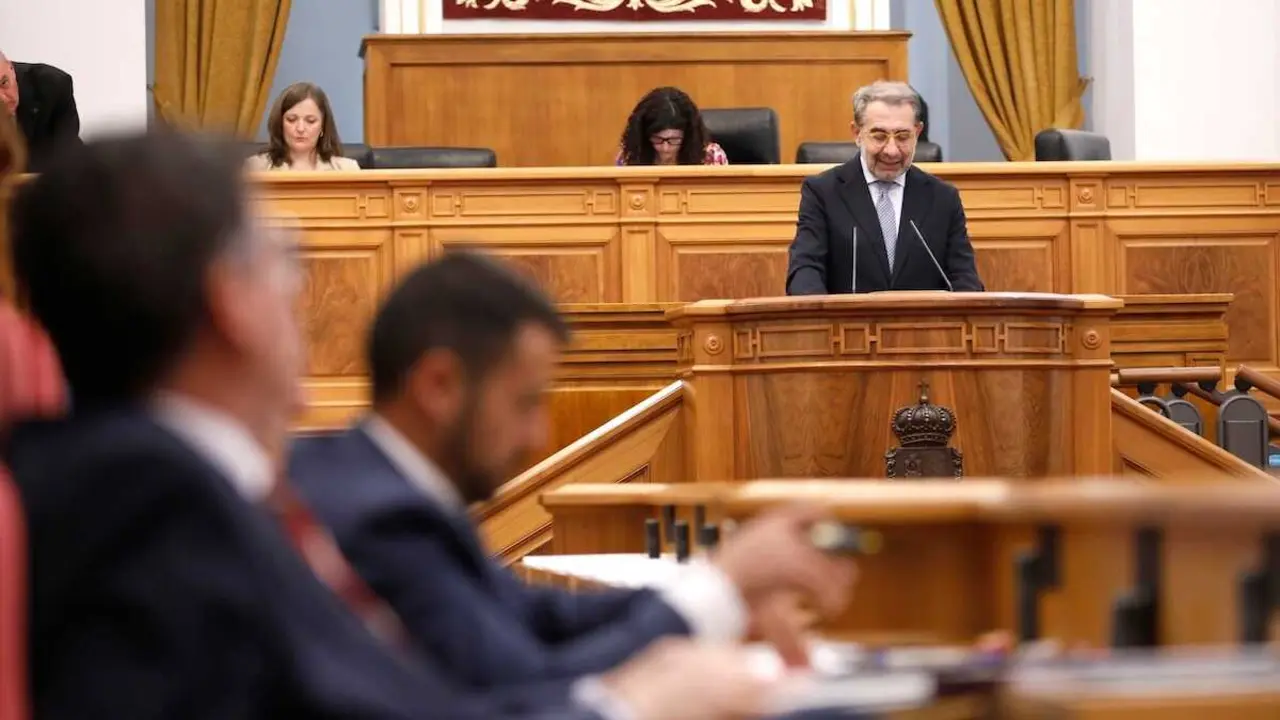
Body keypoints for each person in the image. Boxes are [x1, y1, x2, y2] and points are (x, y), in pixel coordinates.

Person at [4, 130, 773, 720]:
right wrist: (632, 705)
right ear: (229, 300)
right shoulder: (154, 507)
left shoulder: (168, 482)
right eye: (283, 260)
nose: (298, 296)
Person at [288, 252, 857, 695]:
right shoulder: (380, 520)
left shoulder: (382, 483)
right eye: (524, 403)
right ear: (439, 386)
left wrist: (719, 591)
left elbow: (537, 614)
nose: (537, 435)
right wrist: (717, 592)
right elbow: (526, 685)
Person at [786, 81, 983, 295]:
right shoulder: (823, 192)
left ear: (917, 132)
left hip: (924, 317)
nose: (891, 150)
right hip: (847, 317)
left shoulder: (943, 198)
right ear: (857, 133)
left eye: (903, 137)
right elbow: (805, 271)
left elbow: (965, 278)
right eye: (879, 136)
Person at [246, 82, 359, 172]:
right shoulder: (254, 168)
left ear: (323, 126)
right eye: (291, 120)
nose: (300, 128)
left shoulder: (347, 169)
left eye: (310, 121)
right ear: (280, 124)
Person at [0, 51, 80, 173]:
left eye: (4, 83)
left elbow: (66, 152)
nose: (3, 99)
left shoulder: (51, 85)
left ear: (11, 68)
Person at [616, 87, 728, 166]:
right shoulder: (630, 155)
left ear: (687, 136)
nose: (665, 148)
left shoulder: (711, 156)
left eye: (674, 140)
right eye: (657, 139)